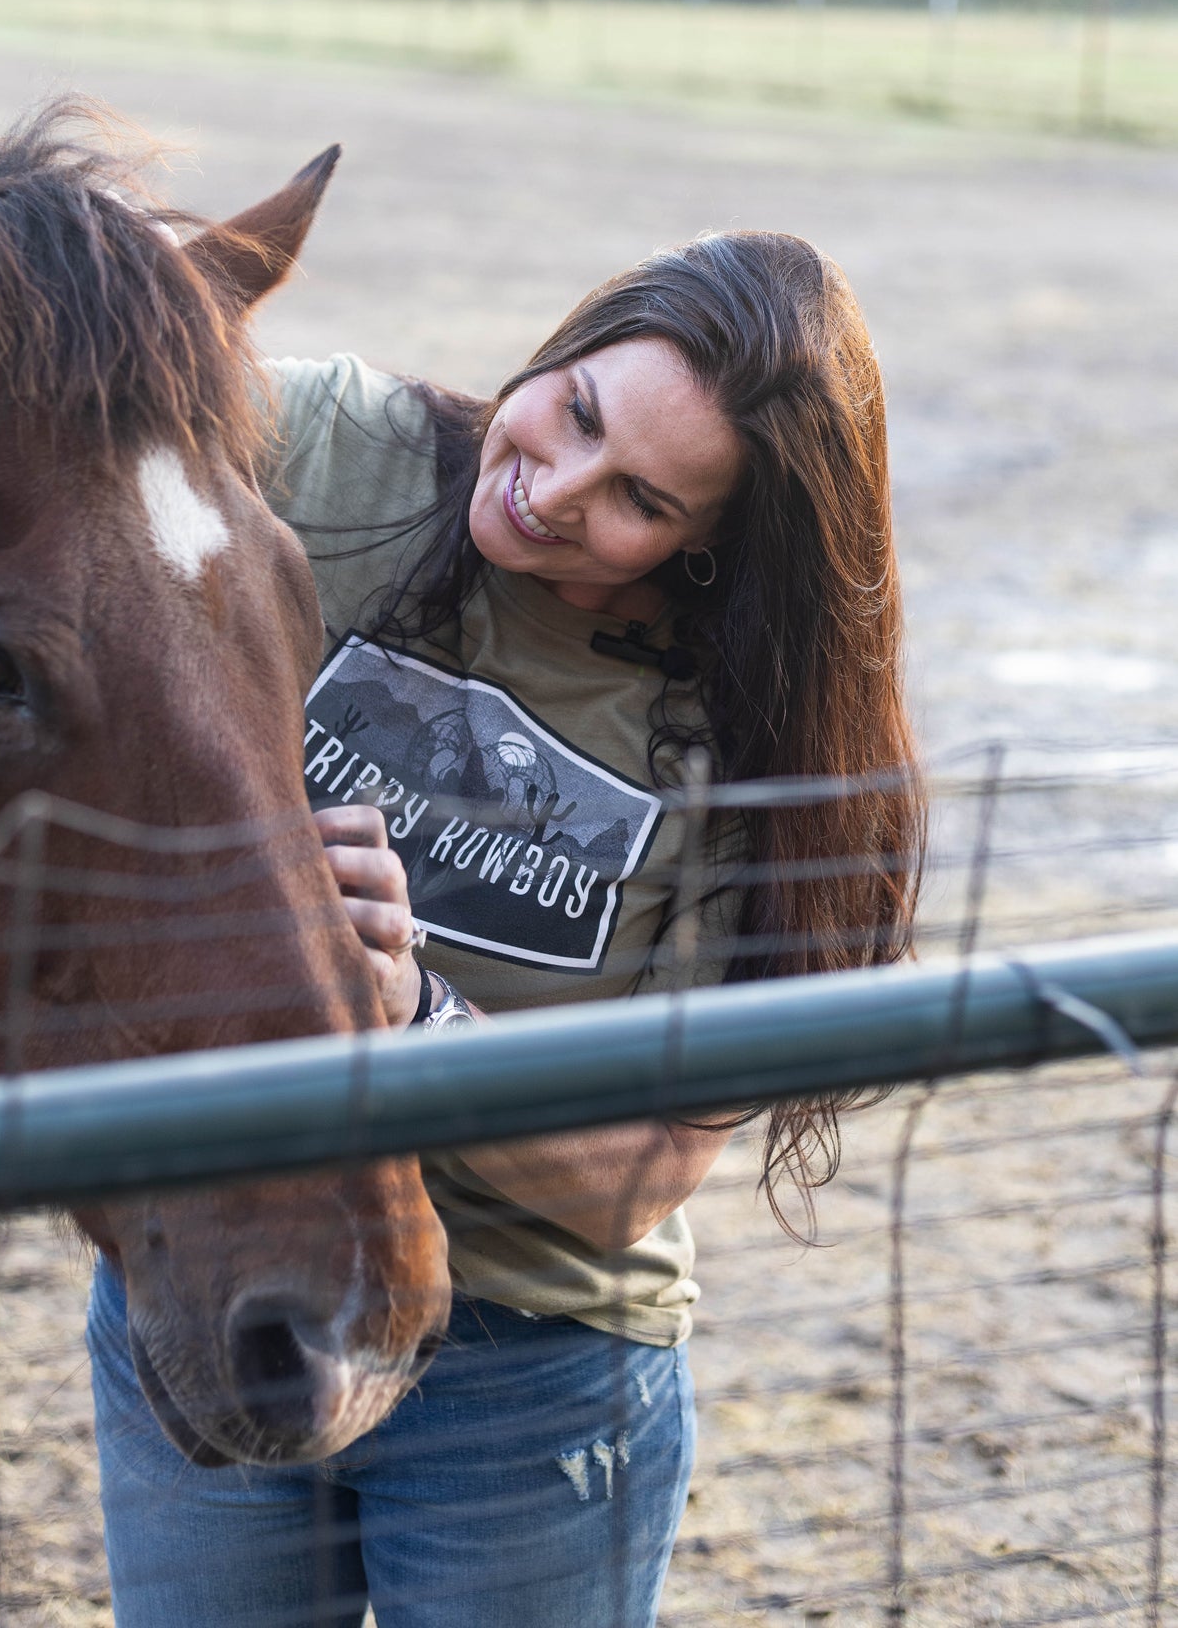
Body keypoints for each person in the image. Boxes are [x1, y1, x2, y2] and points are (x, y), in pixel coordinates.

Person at [87, 228, 924, 1627]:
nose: (552, 489)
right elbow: (64, 420)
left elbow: (633, 1185)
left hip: (524, 1368)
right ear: (567, 342)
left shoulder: (753, 745)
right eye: (574, 411)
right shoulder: (340, 452)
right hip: (217, 1276)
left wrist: (411, 1017)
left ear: (717, 548)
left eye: (640, 500)